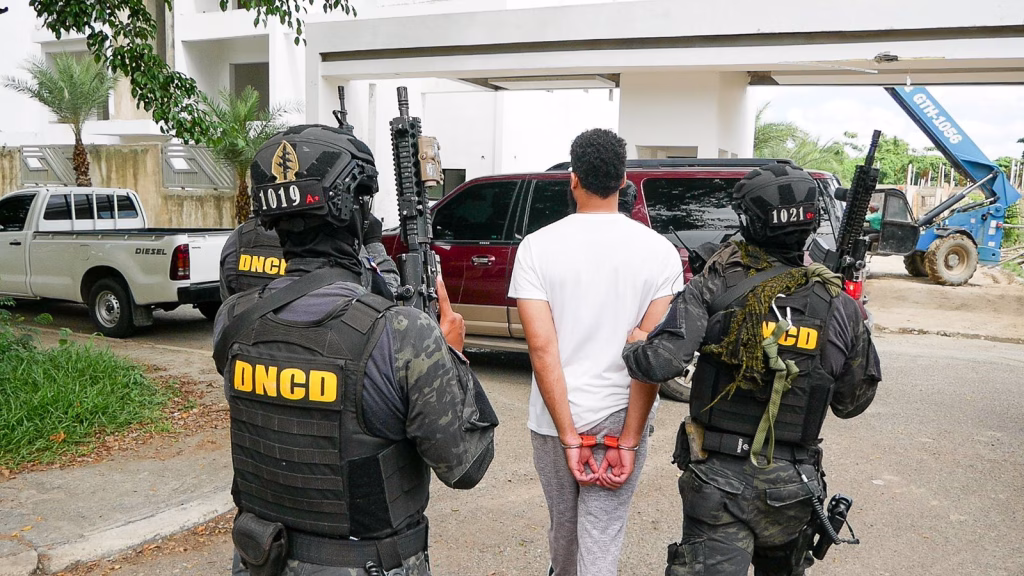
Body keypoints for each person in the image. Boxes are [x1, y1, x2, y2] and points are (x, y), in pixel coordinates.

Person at [213, 124, 498, 576]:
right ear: (353, 213)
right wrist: (450, 355)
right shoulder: (403, 334)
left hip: (260, 558)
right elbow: (466, 466)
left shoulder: (233, 319)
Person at [622, 163, 882, 576]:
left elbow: (660, 363)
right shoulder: (840, 304)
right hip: (793, 486)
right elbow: (852, 403)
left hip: (719, 484)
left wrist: (633, 345)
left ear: (750, 221)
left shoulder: (715, 281)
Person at [509, 128, 684, 576]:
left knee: (564, 533)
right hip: (623, 412)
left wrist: (569, 435)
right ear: (624, 180)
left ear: (573, 178)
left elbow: (542, 348)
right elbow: (649, 355)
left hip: (554, 417)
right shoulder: (660, 252)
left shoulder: (536, 248)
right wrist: (628, 439)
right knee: (603, 534)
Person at [219, 213, 400, 301]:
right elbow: (387, 296)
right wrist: (373, 242)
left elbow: (230, 309)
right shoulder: (337, 241)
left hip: (252, 356)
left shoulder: (239, 239)